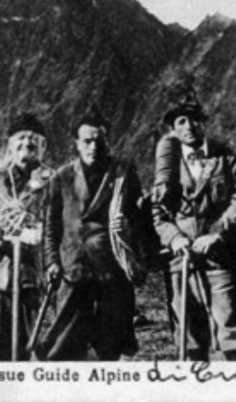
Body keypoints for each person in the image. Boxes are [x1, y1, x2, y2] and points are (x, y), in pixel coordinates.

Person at [152, 85, 236, 361]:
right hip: (181, 257)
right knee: (189, 331)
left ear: (204, 122)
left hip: (219, 254)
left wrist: (217, 233)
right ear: (174, 129)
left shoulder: (224, 157)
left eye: (194, 119)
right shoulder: (167, 164)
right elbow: (158, 212)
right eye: (181, 121)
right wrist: (175, 238)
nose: (189, 126)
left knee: (231, 325)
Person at [38, 111, 145, 361]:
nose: (93, 147)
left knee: (111, 345)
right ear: (77, 143)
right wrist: (52, 262)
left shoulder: (123, 174)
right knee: (64, 345)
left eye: (99, 141)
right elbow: (51, 227)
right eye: (87, 141)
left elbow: (139, 221)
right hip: (72, 270)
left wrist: (128, 229)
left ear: (108, 141)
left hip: (112, 270)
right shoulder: (62, 176)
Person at [0, 112, 54, 361]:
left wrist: (40, 233)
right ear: (10, 145)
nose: (26, 143)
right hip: (3, 271)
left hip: (36, 273)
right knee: (3, 346)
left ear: (42, 146)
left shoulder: (54, 180)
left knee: (39, 342)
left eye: (33, 139)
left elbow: (62, 219)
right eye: (20, 138)